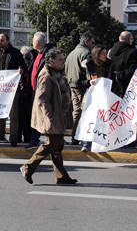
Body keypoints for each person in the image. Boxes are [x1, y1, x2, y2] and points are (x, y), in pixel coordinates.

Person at [20, 48, 77, 185]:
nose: (63, 62)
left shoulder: (57, 72)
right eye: (60, 59)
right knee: (51, 144)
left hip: (59, 115)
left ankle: (61, 176)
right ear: (51, 61)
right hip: (52, 117)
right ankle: (28, 167)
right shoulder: (46, 76)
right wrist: (49, 116)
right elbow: (42, 98)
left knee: (57, 146)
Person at [0, 33, 25, 147]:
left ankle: (13, 139)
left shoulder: (16, 53)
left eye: (2, 40)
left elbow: (23, 67)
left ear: (7, 41)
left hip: (12, 90)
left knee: (13, 115)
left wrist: (21, 70)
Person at [23, 32, 57, 149]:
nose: (32, 42)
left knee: (43, 114)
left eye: (33, 40)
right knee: (36, 115)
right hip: (35, 90)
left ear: (37, 42)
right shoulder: (36, 54)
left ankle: (45, 140)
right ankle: (35, 140)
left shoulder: (49, 55)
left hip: (43, 90)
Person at [65, 32, 96, 145]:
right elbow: (90, 71)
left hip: (72, 85)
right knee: (82, 112)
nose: (94, 45)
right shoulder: (86, 53)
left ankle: (75, 137)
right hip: (83, 86)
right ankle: (79, 137)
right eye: (93, 42)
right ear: (86, 42)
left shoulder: (71, 53)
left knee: (77, 111)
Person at [81, 45, 112, 152]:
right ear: (97, 54)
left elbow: (113, 79)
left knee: (102, 119)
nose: (105, 55)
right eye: (103, 53)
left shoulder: (109, 64)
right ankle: (86, 143)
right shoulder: (88, 64)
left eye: (106, 53)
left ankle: (99, 143)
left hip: (105, 94)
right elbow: (80, 81)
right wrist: (88, 82)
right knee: (89, 119)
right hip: (91, 95)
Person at [108, 31, 137, 97]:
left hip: (112, 84)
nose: (132, 41)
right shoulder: (132, 51)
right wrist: (120, 74)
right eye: (132, 39)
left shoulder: (111, 51)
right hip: (127, 85)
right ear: (128, 39)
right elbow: (135, 69)